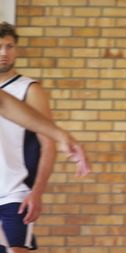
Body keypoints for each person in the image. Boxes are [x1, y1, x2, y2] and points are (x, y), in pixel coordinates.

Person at [0, 21, 90, 253]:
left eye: (9, 46)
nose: (4, 53)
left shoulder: (27, 89)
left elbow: (46, 143)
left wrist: (61, 136)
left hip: (13, 190)